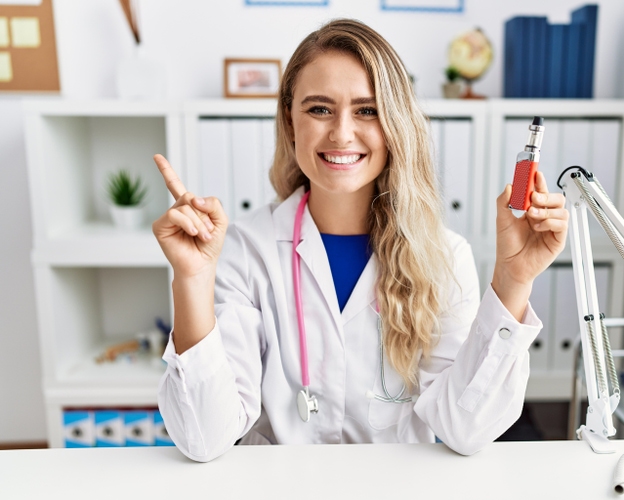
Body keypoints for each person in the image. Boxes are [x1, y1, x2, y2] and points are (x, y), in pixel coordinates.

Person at [153, 19, 568, 463]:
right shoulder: (245, 249)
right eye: (319, 108)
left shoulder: (446, 257)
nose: (342, 133)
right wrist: (192, 279)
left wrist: (513, 279)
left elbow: (465, 430)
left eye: (367, 110)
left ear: (395, 126)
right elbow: (205, 438)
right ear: (290, 122)